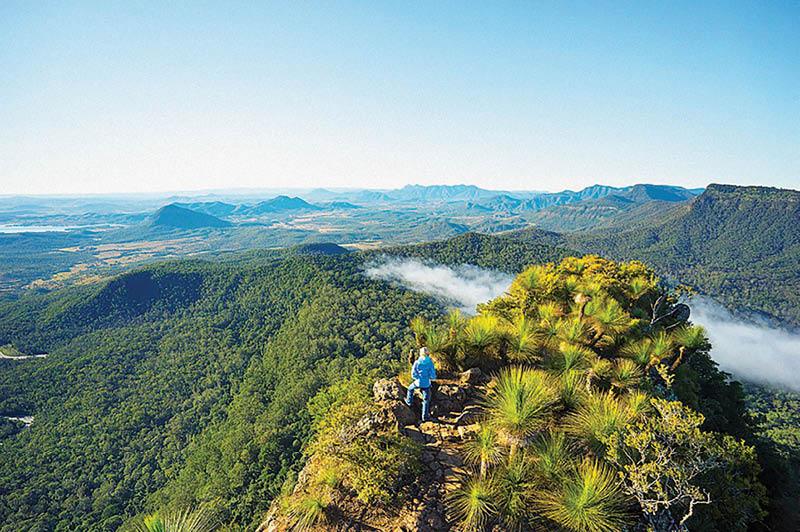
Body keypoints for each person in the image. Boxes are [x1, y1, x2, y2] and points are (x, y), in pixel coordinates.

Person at [405, 347, 437, 422]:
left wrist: (418, 378)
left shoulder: (417, 362)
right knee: (426, 400)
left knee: (410, 389)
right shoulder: (430, 362)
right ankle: (425, 417)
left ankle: (409, 402)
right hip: (426, 383)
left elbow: (413, 374)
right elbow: (433, 375)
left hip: (418, 382)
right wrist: (429, 378)